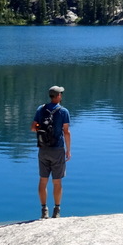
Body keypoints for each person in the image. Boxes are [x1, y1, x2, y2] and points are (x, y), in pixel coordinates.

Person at [31, 85, 71, 219]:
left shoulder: (41, 109)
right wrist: (68, 151)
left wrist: (40, 127)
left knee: (43, 180)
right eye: (61, 94)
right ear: (58, 96)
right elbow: (66, 132)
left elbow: (33, 128)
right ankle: (57, 210)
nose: (62, 95)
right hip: (57, 149)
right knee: (57, 181)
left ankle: (44, 210)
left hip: (43, 149)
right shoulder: (63, 111)